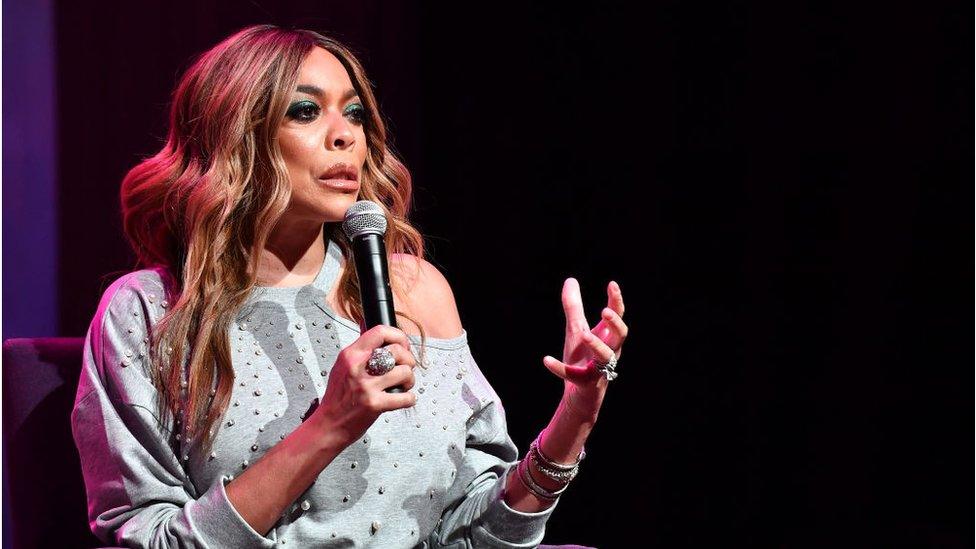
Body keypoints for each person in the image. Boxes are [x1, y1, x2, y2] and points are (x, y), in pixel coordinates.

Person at [70, 24, 629, 548]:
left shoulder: (414, 289)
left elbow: (472, 532)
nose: (347, 138)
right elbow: (149, 538)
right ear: (235, 134)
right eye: (307, 111)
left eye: (356, 114)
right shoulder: (149, 312)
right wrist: (330, 425)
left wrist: (575, 416)